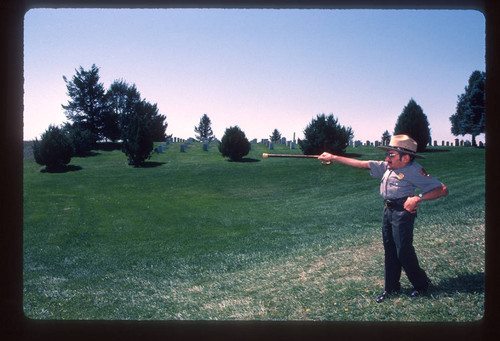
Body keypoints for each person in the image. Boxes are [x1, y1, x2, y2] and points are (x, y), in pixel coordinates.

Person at [318, 135, 448, 303]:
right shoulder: (388, 167)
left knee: (403, 250)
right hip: (388, 210)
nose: (387, 158)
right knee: (390, 249)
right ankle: (391, 288)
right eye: (387, 154)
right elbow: (363, 164)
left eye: (391, 154)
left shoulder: (414, 170)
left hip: (403, 211)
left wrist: (417, 198)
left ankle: (422, 284)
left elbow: (442, 189)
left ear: (405, 157)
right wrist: (334, 157)